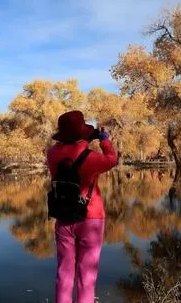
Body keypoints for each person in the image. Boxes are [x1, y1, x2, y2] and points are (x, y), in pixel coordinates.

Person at [47, 111, 118, 303]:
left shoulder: (52, 154)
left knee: (64, 273)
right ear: (82, 134)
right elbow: (112, 159)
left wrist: (82, 138)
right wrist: (104, 139)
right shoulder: (91, 158)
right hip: (91, 219)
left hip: (63, 217)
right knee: (87, 276)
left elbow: (62, 147)